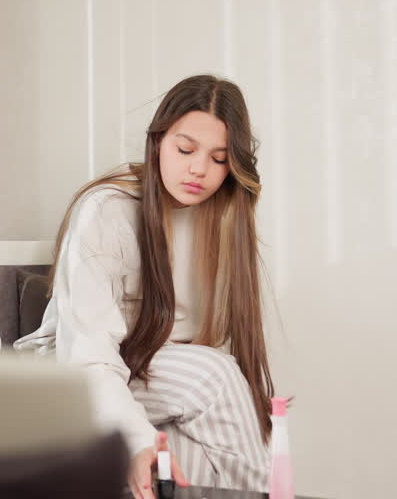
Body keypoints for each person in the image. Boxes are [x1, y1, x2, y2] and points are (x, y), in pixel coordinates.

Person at [15, 75, 275, 499]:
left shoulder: (222, 218)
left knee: (190, 465)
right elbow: (88, 354)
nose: (199, 169)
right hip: (71, 379)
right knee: (214, 376)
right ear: (157, 142)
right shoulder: (105, 210)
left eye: (220, 158)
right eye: (185, 149)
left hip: (151, 388)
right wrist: (136, 440)